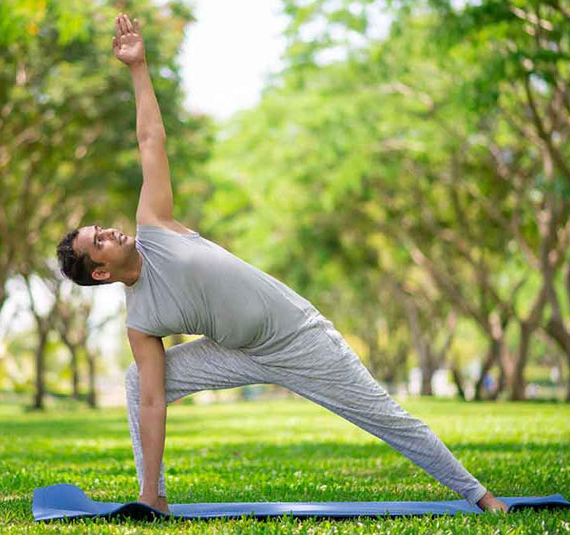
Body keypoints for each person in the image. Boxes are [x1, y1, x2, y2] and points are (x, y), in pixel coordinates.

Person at [56, 13, 508, 516]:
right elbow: (152, 404)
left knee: (386, 418)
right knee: (140, 382)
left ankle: (481, 496)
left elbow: (150, 142)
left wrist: (138, 68)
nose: (111, 231)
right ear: (100, 271)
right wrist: (147, 491)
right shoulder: (140, 322)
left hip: (299, 337)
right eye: (100, 240)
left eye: (101, 228)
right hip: (238, 352)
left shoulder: (155, 226)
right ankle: (152, 498)